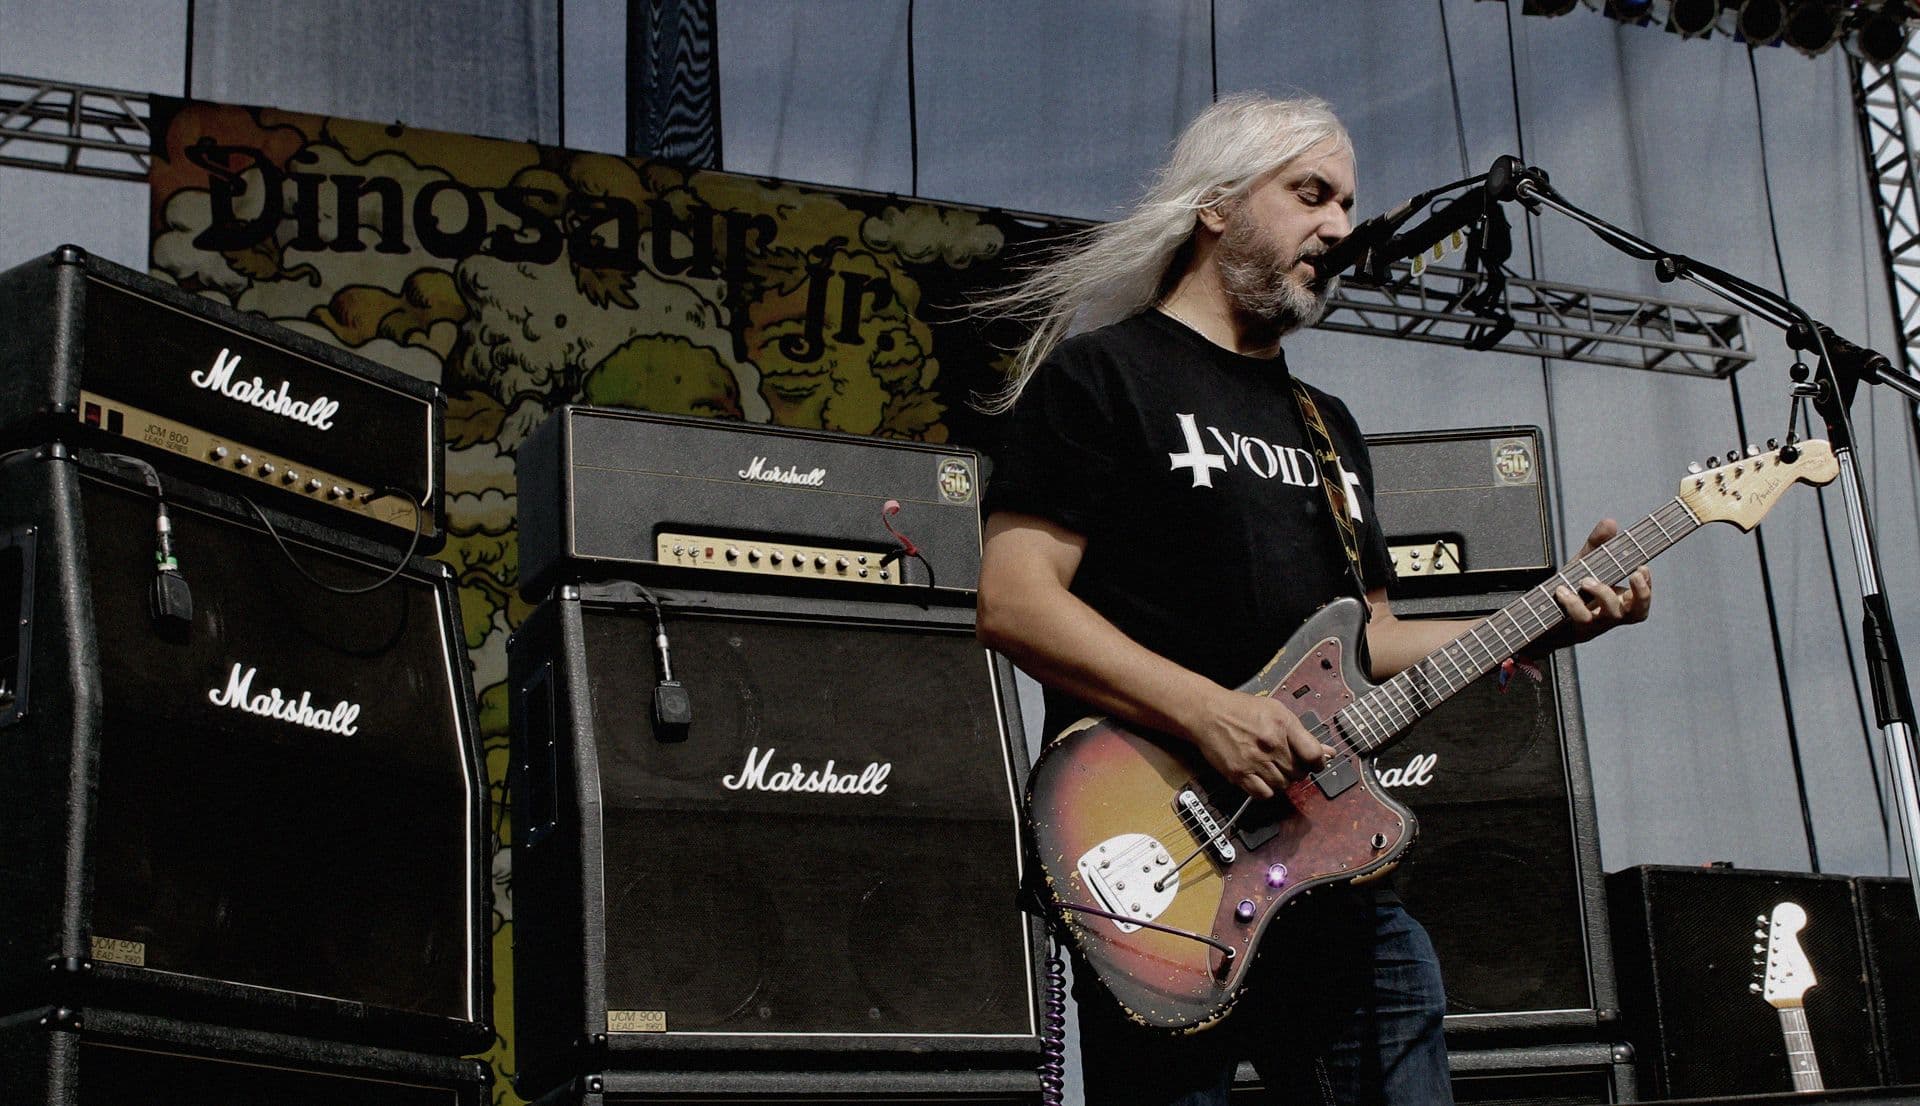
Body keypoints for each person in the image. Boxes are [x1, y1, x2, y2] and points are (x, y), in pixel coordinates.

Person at [974, 92, 1652, 1106]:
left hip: (1335, 873)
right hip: (1162, 859)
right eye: (1311, 194)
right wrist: (1210, 710)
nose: (1339, 226)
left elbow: (1368, 638)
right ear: (1216, 205)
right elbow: (1017, 601)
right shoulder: (1103, 377)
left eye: (1346, 201)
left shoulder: (1326, 424)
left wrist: (1547, 616)